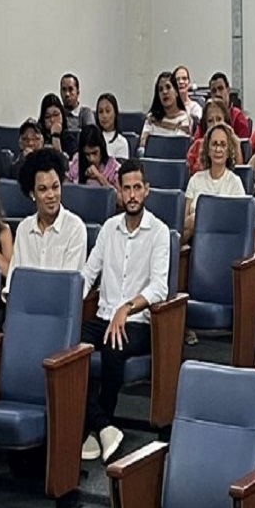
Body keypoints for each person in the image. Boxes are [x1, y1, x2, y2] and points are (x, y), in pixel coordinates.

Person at [81, 160, 171, 464]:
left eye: (137, 188)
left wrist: (127, 307)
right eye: (126, 188)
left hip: (139, 323)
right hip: (103, 316)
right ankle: (103, 425)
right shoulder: (109, 228)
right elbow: (88, 273)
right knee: (65, 347)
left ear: (146, 190)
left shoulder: (158, 232)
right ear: (118, 191)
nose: (131, 194)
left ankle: (98, 422)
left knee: (113, 345)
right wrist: (64, 304)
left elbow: (160, 287)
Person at [8, 148, 86, 279]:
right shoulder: (24, 229)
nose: (51, 195)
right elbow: (14, 282)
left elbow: (67, 286)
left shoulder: (75, 228)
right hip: (26, 299)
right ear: (32, 194)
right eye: (43, 189)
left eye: (55, 187)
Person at [183, 121, 246, 244]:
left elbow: (238, 224)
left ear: (229, 151)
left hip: (224, 242)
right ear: (208, 149)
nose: (218, 149)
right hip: (195, 242)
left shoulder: (235, 182)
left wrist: (201, 219)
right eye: (214, 144)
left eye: (223, 145)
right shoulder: (195, 179)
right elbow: (185, 223)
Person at [139, 71, 191, 148]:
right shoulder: (151, 118)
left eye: (168, 87)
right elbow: (143, 143)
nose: (164, 92)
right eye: (160, 89)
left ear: (176, 92)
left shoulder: (184, 118)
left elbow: (178, 145)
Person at [186, 98, 233, 176]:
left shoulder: (233, 144)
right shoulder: (196, 146)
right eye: (210, 121)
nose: (215, 124)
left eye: (219, 119)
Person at [205, 71, 252, 141]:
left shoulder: (238, 117)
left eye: (220, 89)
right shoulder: (205, 116)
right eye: (214, 91)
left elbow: (243, 147)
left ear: (228, 90)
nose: (217, 94)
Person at [71, 123, 121, 187]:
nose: (91, 158)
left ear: (102, 149)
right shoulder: (76, 162)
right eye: (87, 154)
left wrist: (99, 177)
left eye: (95, 153)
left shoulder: (113, 168)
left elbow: (119, 195)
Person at [39, 93, 77, 159]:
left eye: (56, 114)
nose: (52, 120)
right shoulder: (39, 138)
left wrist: (55, 135)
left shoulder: (70, 139)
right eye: (47, 117)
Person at [95, 92, 131, 160]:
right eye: (100, 112)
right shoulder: (92, 138)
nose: (104, 116)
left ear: (115, 113)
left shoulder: (121, 142)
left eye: (108, 111)